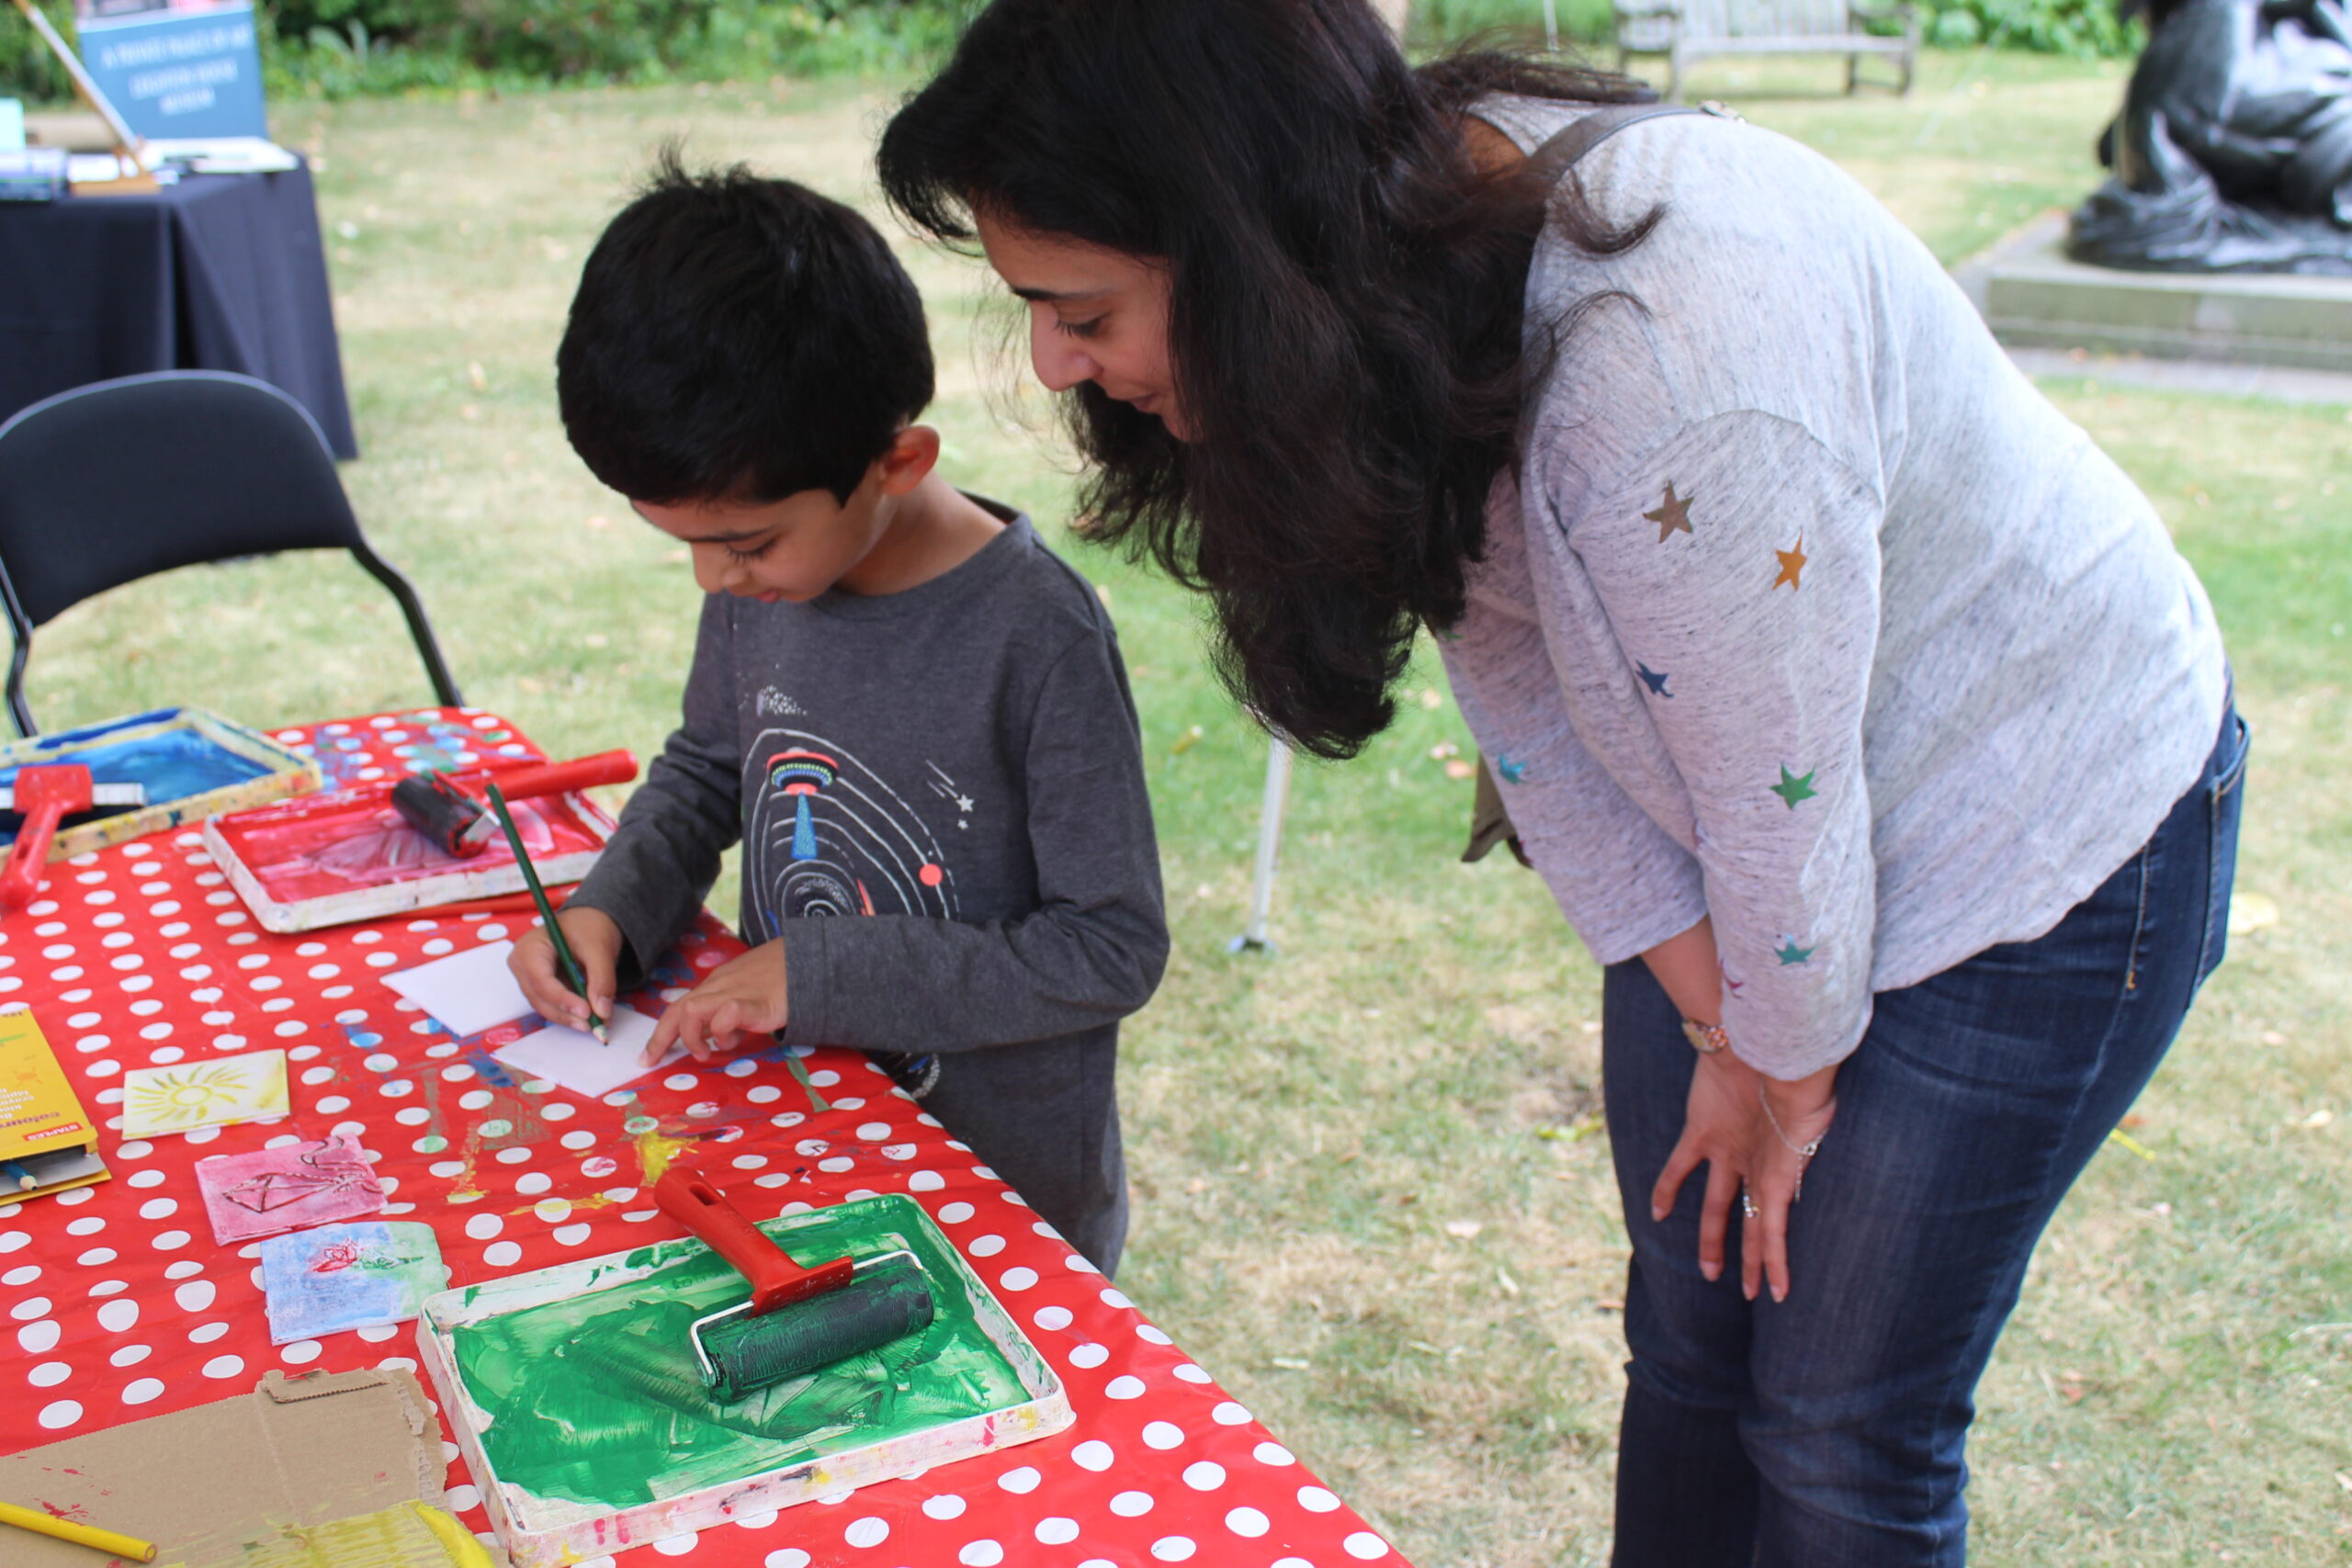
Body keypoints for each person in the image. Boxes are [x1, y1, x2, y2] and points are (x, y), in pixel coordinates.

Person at [876, 5, 2244, 1562]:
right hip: (1784, 834)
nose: (1056, 361)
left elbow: (1780, 817)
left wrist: (1770, 1057)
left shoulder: (1672, 379)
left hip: (2034, 832)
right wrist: (1717, 1011)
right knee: (1690, 1353)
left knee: (1836, 1428)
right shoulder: (1401, 261)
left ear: (1243, 246)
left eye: (1081, 308)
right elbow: (1516, 684)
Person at [508, 156, 1169, 1273]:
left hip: (996, 1208)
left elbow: (1110, 949)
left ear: (895, 461)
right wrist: (609, 911)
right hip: (807, 1151)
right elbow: (710, 766)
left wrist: (821, 972)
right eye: (688, 545)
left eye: (744, 542)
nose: (715, 581)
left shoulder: (1033, 638)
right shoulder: (771, 584)